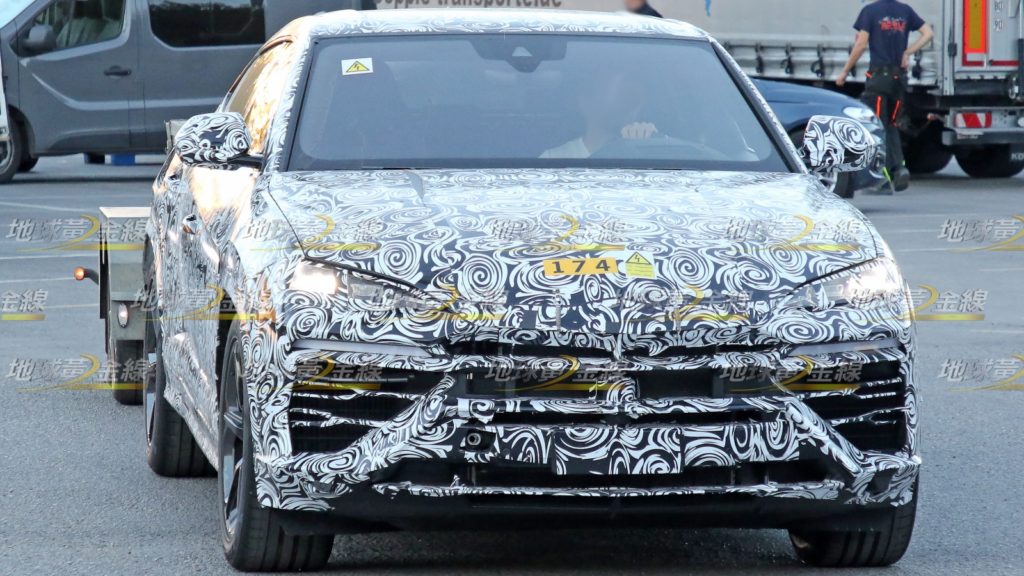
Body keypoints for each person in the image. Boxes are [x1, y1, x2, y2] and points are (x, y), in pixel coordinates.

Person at [838, 0, 933, 191]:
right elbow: (928, 33)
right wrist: (908, 52)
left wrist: (845, 71)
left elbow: (861, 44)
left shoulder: (870, 11)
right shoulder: (905, 10)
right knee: (891, 125)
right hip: (899, 79)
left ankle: (881, 179)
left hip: (879, 79)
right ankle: (899, 169)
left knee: (876, 126)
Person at [541, 72, 657, 159]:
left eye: (633, 99)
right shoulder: (552, 159)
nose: (629, 105)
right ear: (586, 102)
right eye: (622, 95)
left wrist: (650, 143)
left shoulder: (650, 151)